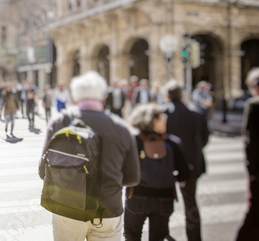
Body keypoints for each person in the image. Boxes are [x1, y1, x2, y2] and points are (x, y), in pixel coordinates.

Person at [39, 71, 140, 240]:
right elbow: (132, 177)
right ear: (103, 97)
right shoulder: (121, 129)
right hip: (108, 209)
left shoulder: (59, 123)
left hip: (68, 207)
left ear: (75, 97)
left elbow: (43, 171)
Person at [124, 103, 190, 241]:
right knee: (158, 238)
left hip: (136, 197)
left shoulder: (134, 141)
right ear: (153, 120)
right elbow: (185, 174)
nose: (165, 119)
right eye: (162, 117)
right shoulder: (173, 143)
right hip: (164, 200)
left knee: (132, 235)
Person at [164, 80, 209, 241]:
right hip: (191, 164)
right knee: (191, 203)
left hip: (167, 165)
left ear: (167, 96)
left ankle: (164, 234)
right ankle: (194, 238)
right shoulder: (197, 114)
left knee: (164, 204)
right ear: (182, 95)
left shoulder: (164, 114)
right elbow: (204, 140)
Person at [236, 68, 259, 240]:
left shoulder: (254, 105)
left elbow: (249, 141)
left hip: (258, 169)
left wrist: (251, 171)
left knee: (255, 208)